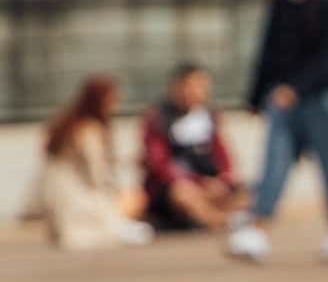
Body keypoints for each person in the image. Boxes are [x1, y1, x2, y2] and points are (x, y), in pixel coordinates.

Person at [229, 0, 328, 263]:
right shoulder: (280, 0)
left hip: (319, 99)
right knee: (274, 162)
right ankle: (259, 228)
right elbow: (268, 51)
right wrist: (255, 96)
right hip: (281, 100)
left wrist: (297, 89)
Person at [32, 77, 153, 251]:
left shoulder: (69, 126)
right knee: (136, 198)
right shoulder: (89, 130)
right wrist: (114, 195)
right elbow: (98, 175)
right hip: (82, 204)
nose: (116, 105)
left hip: (58, 203)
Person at [140, 62, 244, 232]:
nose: (197, 91)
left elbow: (221, 153)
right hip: (176, 187)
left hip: (209, 183)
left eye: (202, 86)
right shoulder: (159, 118)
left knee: (244, 192)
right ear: (177, 87)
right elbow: (160, 164)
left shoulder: (208, 116)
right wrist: (198, 182)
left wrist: (224, 178)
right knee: (184, 194)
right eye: (192, 86)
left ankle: (214, 216)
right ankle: (217, 220)